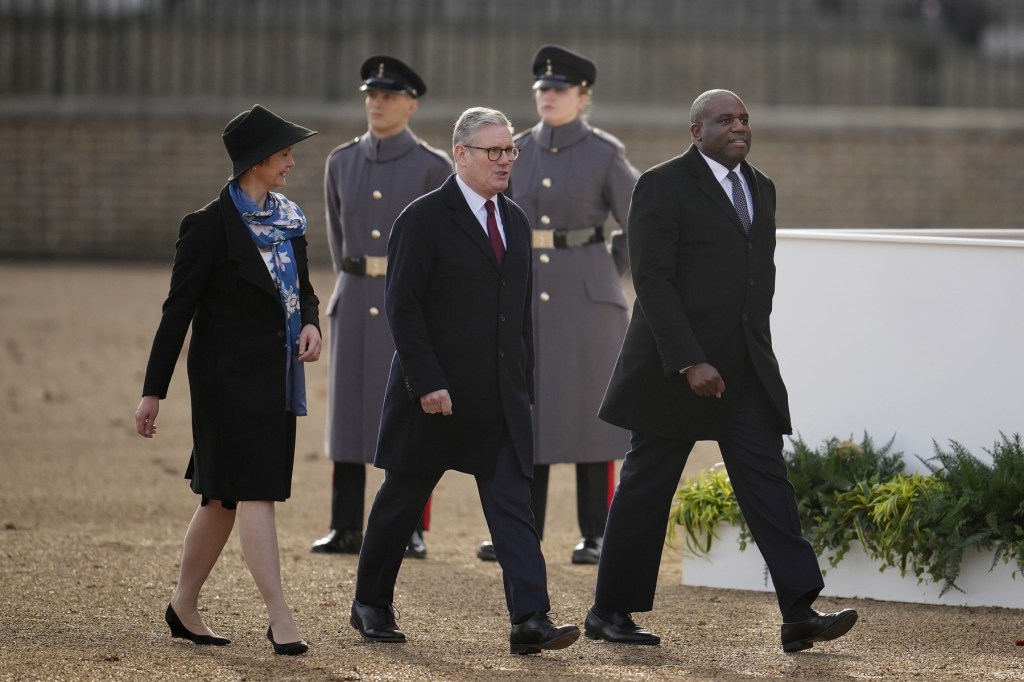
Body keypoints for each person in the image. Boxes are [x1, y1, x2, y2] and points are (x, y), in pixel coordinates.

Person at [585, 89, 859, 652]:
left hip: (745, 370)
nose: (739, 127)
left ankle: (799, 611)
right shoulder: (661, 185)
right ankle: (609, 611)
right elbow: (653, 280)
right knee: (646, 489)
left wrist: (756, 353)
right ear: (697, 131)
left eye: (744, 119)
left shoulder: (762, 187)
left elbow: (758, 279)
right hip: (674, 368)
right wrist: (690, 359)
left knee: (768, 483)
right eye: (725, 119)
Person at [348, 107, 580, 655]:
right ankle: (370, 604)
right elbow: (403, 308)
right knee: (401, 501)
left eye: (510, 150)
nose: (505, 160)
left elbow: (519, 316)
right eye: (493, 151)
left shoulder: (515, 220)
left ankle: (530, 618)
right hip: (434, 396)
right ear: (461, 154)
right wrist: (427, 381)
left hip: (498, 397)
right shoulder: (422, 218)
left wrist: (522, 387)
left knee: (513, 508)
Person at [134, 104, 321, 656]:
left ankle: (182, 604)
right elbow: (176, 313)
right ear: (257, 160)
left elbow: (305, 289)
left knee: (220, 500)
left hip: (277, 379)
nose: (291, 163)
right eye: (284, 153)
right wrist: (153, 391)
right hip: (225, 384)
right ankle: (280, 618)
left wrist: (311, 323)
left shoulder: (290, 220)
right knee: (256, 490)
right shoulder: (207, 226)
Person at [475, 44, 638, 566]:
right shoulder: (515, 149)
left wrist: (605, 269)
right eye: (542, 88)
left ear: (582, 96)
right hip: (523, 296)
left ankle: (597, 533)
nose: (548, 95)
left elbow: (640, 220)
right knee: (526, 412)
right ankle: (521, 529)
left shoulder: (604, 152)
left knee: (592, 417)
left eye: (560, 89)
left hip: (588, 301)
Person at [313, 55, 452, 560]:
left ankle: (409, 527)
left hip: (408, 303)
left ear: (411, 105)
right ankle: (345, 525)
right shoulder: (341, 161)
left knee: (410, 418)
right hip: (354, 297)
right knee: (348, 417)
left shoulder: (433, 167)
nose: (377, 102)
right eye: (372, 94)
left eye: (388, 96)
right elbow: (337, 239)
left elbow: (440, 247)